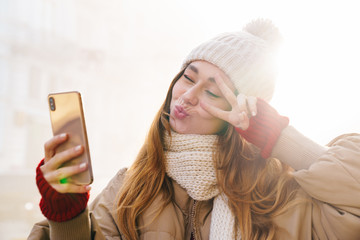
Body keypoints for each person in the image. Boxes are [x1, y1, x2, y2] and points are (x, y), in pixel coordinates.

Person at [28, 19, 360, 240]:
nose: (188, 95)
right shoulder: (128, 192)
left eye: (213, 92)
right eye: (188, 77)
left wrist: (277, 136)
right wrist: (67, 213)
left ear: (240, 114)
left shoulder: (282, 199)